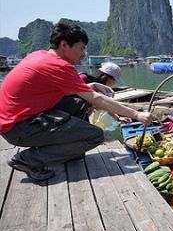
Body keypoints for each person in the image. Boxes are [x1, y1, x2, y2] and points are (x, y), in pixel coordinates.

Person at [0, 21, 153, 181]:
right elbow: (96, 98)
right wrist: (137, 114)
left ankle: (72, 149)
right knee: (95, 136)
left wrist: (92, 85)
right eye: (81, 48)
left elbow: (84, 94)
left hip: (15, 122)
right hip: (18, 128)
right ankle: (29, 160)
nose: (84, 53)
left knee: (81, 101)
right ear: (65, 45)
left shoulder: (40, 55)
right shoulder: (58, 66)